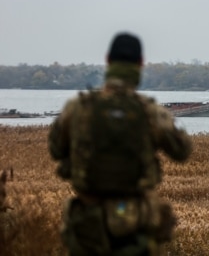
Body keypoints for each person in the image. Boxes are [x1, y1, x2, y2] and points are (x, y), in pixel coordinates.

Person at [49, 32, 192, 255]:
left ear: (107, 60)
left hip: (87, 226)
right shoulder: (150, 112)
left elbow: (56, 149)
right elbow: (182, 151)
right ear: (140, 64)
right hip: (133, 226)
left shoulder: (77, 108)